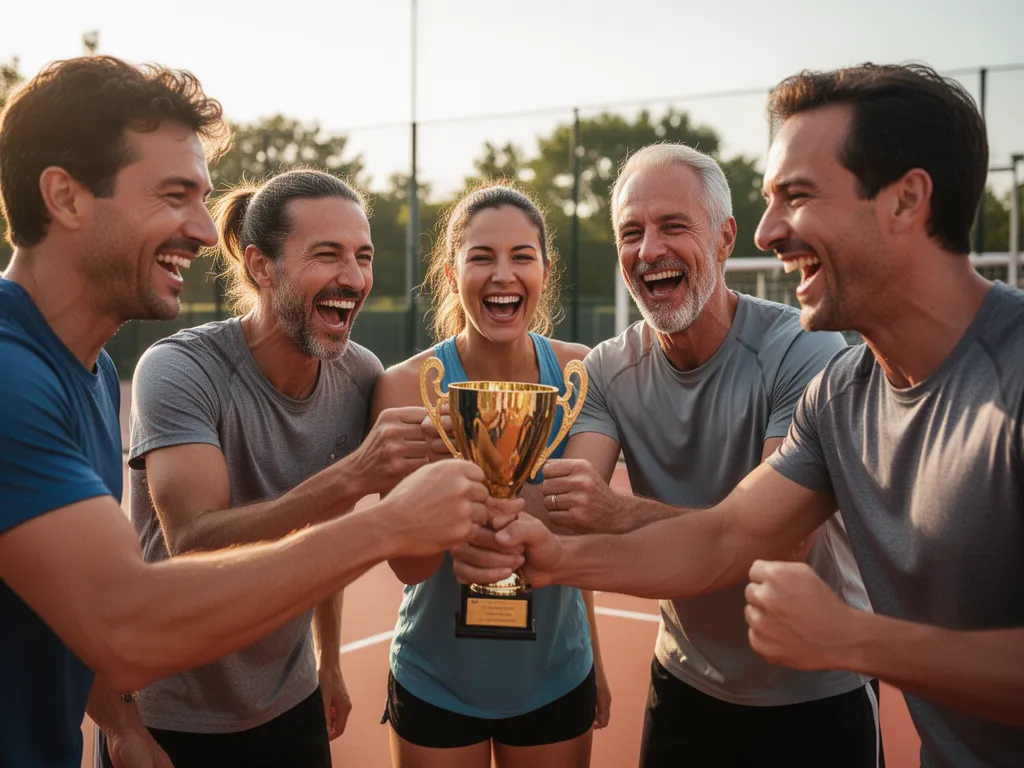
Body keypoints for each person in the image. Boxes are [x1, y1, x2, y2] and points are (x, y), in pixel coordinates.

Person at [456, 64, 1024, 768]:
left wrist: (854, 639)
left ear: (907, 200)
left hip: (813, 707)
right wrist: (552, 555)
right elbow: (727, 538)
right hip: (691, 688)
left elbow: (768, 554)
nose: (768, 232)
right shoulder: (843, 393)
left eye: (797, 196)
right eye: (767, 200)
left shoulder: (979, 376)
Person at [0, 56, 505, 768]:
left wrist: (116, 722)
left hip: (277, 703)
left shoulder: (84, 373)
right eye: (175, 195)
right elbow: (127, 619)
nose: (208, 231)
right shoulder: (15, 377)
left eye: (203, 199)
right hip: (180, 716)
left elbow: (70, 601)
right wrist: (383, 514)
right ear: (67, 197)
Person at [459, 144, 882, 767]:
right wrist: (458, 481)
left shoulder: (805, 352)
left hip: (814, 692)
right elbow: (568, 506)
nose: (649, 249)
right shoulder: (606, 368)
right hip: (684, 683)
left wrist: (618, 514)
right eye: (631, 232)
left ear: (724, 237)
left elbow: (775, 544)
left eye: (673, 226)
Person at [92, 168, 420, 766]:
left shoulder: (361, 375)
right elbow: (194, 538)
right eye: (327, 255)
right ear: (260, 266)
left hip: (288, 700)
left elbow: (322, 535)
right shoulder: (180, 370)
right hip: (168, 711)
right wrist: (354, 475)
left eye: (363, 256)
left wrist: (330, 659)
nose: (352, 277)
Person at [370, 184, 610, 768]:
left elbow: (580, 532)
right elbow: (410, 564)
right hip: (435, 678)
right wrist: (442, 462)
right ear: (451, 275)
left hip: (556, 671)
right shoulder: (406, 387)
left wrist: (595, 657)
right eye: (481, 257)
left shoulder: (582, 371)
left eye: (521, 256)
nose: (503, 274)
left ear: (544, 273)